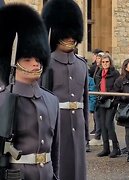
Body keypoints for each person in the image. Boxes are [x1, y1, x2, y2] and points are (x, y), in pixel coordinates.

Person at [0, 4, 60, 179]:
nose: (36, 64)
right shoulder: (3, 99)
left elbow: (54, 151)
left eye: (38, 58)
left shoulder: (51, 100)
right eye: (27, 59)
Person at [41, 0, 88, 179]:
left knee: (78, 170)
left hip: (76, 125)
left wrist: (85, 132)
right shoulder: (47, 64)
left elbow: (83, 102)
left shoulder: (82, 64)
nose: (70, 37)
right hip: (56, 127)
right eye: (65, 33)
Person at [94, 53, 121, 158]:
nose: (105, 64)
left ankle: (115, 147)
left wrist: (111, 98)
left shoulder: (115, 73)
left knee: (108, 124)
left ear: (110, 62)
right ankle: (106, 148)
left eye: (107, 62)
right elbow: (97, 86)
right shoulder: (99, 73)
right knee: (102, 125)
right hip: (101, 101)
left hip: (111, 101)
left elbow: (117, 88)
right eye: (103, 62)